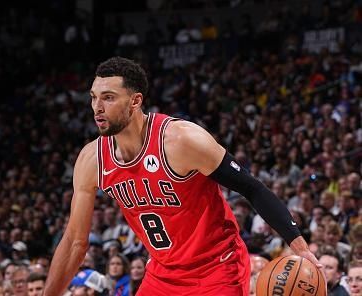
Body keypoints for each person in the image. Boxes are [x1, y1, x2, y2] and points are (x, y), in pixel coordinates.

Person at [43, 57, 320, 295]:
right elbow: (74, 242)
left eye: (109, 97)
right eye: (93, 97)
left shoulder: (181, 140)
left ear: (136, 101)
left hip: (217, 267)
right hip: (162, 273)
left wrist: (298, 243)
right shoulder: (92, 159)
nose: (97, 107)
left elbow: (252, 188)